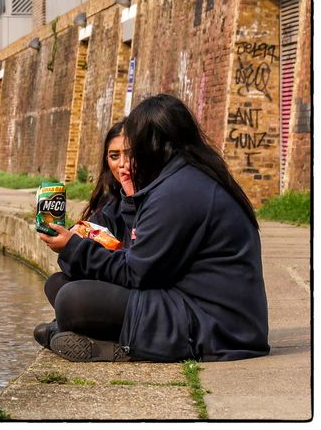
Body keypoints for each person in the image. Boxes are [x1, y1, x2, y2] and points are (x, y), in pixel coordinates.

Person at [36, 94, 269, 363]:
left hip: (215, 327)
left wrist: (73, 248)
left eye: (135, 147)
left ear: (153, 144)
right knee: (61, 284)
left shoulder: (179, 192)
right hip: (193, 307)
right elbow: (145, 260)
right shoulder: (183, 179)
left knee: (72, 300)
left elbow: (136, 272)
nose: (128, 159)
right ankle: (94, 337)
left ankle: (115, 345)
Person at [33, 120, 132, 349]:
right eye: (114, 156)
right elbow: (78, 268)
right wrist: (69, 245)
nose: (122, 165)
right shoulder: (111, 205)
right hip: (115, 282)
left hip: (141, 297)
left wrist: (77, 249)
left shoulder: (151, 201)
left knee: (71, 299)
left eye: (130, 155)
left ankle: (81, 334)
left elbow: (135, 267)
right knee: (56, 284)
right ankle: (73, 329)